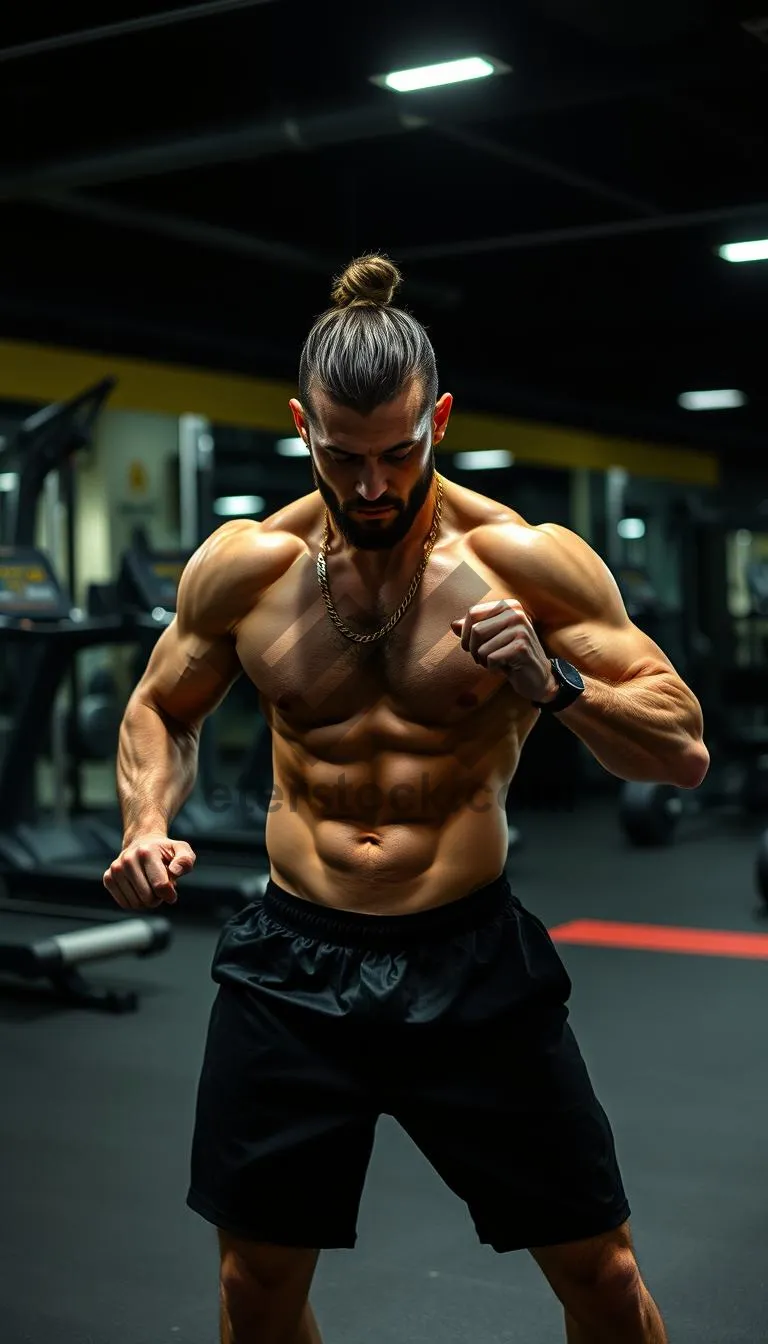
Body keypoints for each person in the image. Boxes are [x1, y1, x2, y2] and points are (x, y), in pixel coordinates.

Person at [105, 254, 709, 1344]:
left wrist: (553, 684)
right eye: (344, 458)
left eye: (399, 454)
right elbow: (160, 709)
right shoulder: (248, 565)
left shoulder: (521, 560)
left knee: (604, 1278)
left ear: (438, 419)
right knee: (256, 1288)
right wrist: (147, 824)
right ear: (302, 426)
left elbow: (682, 752)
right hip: (291, 966)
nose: (373, 486)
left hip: (470, 961)